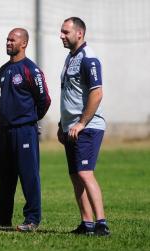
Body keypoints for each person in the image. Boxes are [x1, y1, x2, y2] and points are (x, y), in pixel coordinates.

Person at [0, 28, 51, 232]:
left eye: (13, 40)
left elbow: (44, 100)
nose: (8, 43)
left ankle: (32, 219)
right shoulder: (4, 70)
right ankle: (3, 218)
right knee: (5, 177)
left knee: (29, 176)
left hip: (24, 131)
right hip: (3, 130)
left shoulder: (31, 70)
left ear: (24, 44)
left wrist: (29, 119)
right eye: (7, 39)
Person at [58, 17, 110, 236]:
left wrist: (81, 122)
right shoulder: (71, 58)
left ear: (79, 33)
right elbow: (70, 94)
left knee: (85, 172)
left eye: (65, 32)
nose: (61, 35)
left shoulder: (89, 58)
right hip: (72, 127)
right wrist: (63, 124)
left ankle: (101, 224)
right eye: (61, 31)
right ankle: (86, 223)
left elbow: (96, 93)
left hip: (88, 126)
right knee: (75, 175)